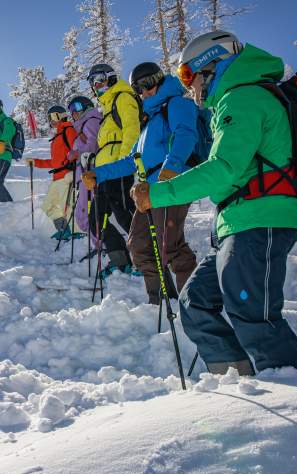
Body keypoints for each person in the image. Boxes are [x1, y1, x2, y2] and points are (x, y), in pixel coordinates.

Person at [131, 31, 297, 376]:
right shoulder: (232, 101)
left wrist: (157, 192)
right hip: (238, 221)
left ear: (211, 65)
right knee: (194, 303)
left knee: (253, 317)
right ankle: (235, 382)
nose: (189, 86)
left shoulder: (243, 98)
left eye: (188, 75)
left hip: (261, 218)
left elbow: (223, 169)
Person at [84, 62, 205, 304]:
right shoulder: (148, 121)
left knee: (169, 246)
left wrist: (171, 168)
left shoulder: (177, 104)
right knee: (139, 245)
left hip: (172, 182)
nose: (144, 91)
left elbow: (185, 134)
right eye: (138, 88)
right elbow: (131, 161)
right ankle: (161, 300)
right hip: (149, 190)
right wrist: (100, 173)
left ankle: (196, 304)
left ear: (160, 79)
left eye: (148, 83)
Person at [84, 63, 141, 276]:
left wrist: (124, 163)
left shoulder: (123, 98)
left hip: (118, 169)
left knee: (126, 214)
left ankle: (147, 259)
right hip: (103, 173)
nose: (96, 85)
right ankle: (120, 259)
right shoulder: (107, 109)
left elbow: (132, 132)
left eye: (99, 78)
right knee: (96, 220)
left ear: (111, 77)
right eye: (92, 82)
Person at [26, 106, 78, 240]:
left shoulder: (69, 130)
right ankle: (64, 230)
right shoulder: (58, 136)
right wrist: (36, 162)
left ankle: (77, 234)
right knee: (48, 205)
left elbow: (77, 151)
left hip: (67, 175)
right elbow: (55, 162)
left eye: (53, 117)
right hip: (57, 177)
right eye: (49, 118)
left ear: (61, 115)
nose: (51, 121)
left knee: (68, 207)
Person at [66, 96, 102, 241]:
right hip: (84, 174)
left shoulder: (91, 121)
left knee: (86, 214)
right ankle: (97, 243)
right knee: (84, 214)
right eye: (71, 110)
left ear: (86, 106)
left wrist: (77, 153)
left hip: (90, 172)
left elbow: (93, 147)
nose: (74, 112)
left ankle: (101, 244)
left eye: (77, 107)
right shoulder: (83, 125)